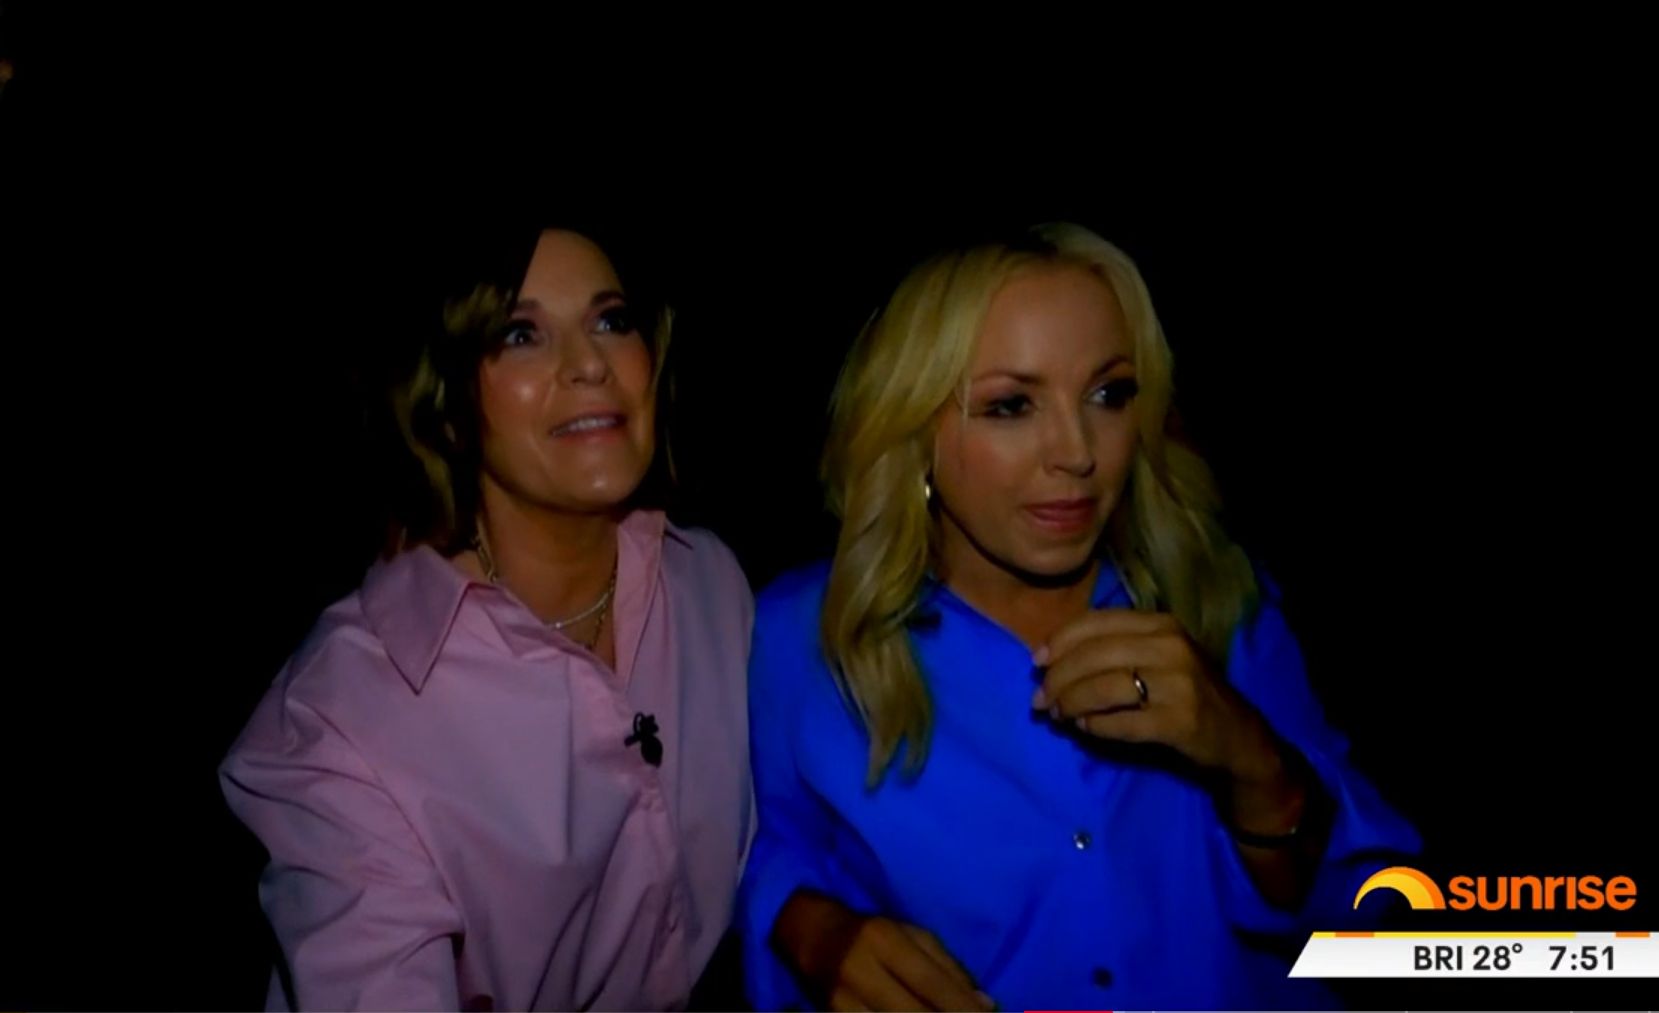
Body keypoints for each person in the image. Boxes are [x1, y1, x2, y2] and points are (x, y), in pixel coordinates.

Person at [737, 222, 1421, 1010]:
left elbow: (1381, 918)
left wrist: (1252, 761)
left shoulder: (1215, 597)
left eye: (1107, 394)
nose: (1076, 451)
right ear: (913, 427)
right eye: (1010, 404)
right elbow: (751, 847)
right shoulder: (804, 637)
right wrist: (804, 926)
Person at [222, 225, 754, 1010]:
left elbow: (789, 826)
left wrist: (805, 916)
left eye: (611, 320)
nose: (589, 363)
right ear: (445, 396)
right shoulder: (341, 722)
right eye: (520, 333)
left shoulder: (709, 583)